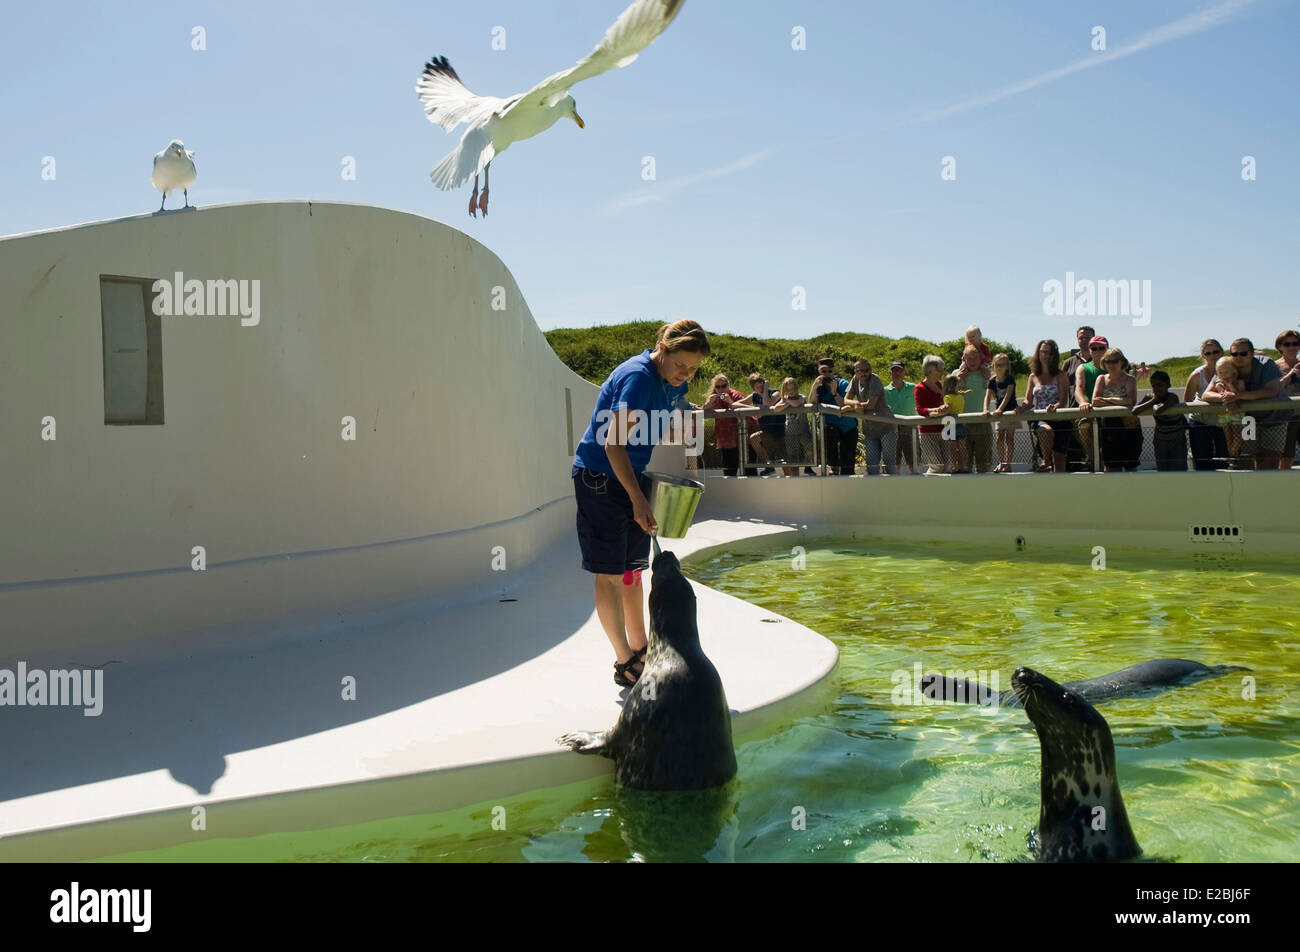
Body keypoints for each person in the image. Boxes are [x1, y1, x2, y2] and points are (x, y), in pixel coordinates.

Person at [571, 319, 710, 686]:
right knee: (612, 575)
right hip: (600, 478)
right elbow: (612, 445)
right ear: (663, 349)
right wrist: (637, 499)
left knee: (634, 571)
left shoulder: (670, 382)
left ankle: (642, 649)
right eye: (681, 364)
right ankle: (624, 661)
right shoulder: (639, 377)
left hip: (630, 475)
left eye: (694, 368)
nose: (686, 374)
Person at [1200, 338, 1285, 469]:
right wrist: (1226, 397)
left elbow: (1271, 391)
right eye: (1235, 354)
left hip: (1274, 419)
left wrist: (1236, 396)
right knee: (1247, 458)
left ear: (1251, 353)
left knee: (1270, 462)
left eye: (1243, 353)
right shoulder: (1227, 366)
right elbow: (1206, 394)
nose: (1239, 357)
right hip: (1249, 420)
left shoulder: (1266, 364)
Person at [1016, 339, 1070, 473]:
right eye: (1042, 352)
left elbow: (1063, 400)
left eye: (1048, 352)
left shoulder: (1061, 375)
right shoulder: (1033, 376)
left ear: (1053, 355)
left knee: (1060, 460)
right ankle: (1046, 461)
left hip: (1060, 419)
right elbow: (1028, 401)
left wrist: (1055, 406)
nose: (1044, 355)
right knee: (1045, 430)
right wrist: (1020, 408)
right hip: (1040, 418)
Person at [1091, 347, 1140, 471]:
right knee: (1111, 466)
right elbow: (1095, 401)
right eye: (1108, 361)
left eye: (1115, 361)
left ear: (1122, 362)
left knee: (1131, 466)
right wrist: (1119, 400)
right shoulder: (1101, 379)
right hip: (1108, 426)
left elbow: (1130, 401)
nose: (1111, 364)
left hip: (1129, 425)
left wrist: (1106, 400)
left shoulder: (1130, 379)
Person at [844, 358, 895, 475]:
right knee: (871, 467)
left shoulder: (875, 379)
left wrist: (850, 407)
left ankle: (893, 491)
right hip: (870, 429)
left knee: (889, 466)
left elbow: (871, 404)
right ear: (855, 371)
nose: (863, 373)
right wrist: (855, 404)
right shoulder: (854, 379)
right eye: (859, 371)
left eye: (866, 370)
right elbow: (846, 399)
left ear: (871, 369)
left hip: (886, 428)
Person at [1183, 339, 1228, 470]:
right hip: (1200, 422)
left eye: (1215, 352)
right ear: (1203, 355)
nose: (1212, 356)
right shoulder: (1197, 375)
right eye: (1208, 353)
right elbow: (1187, 400)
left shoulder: (1230, 370)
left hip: (1224, 422)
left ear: (1221, 352)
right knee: (1202, 463)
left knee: (1224, 461)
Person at [704, 374, 757, 476]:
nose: (721, 389)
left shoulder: (736, 395)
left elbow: (747, 410)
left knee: (750, 471)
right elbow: (703, 409)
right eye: (717, 387)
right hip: (726, 440)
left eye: (723, 386)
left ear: (728, 385)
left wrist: (730, 402)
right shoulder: (713, 398)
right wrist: (709, 403)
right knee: (729, 472)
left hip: (744, 439)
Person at [1133, 370, 1187, 471]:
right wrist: (1152, 401)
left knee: (1179, 470)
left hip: (1177, 438)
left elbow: (1159, 410)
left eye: (1160, 385)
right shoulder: (1150, 397)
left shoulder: (1172, 397)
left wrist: (1153, 403)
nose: (1156, 389)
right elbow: (1135, 411)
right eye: (1153, 386)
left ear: (1168, 385)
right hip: (1160, 439)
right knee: (1163, 470)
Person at [812, 360, 857, 474]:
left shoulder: (843, 384)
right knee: (829, 441)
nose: (826, 374)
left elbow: (846, 404)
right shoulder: (819, 386)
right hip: (831, 427)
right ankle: (833, 467)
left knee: (848, 464)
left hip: (848, 427)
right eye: (823, 371)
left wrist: (834, 392)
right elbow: (812, 402)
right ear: (819, 371)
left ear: (834, 371)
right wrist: (814, 387)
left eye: (829, 371)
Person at [1073, 335, 1109, 469]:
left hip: (1110, 414)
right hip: (1091, 412)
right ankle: (1092, 457)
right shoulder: (1083, 368)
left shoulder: (1114, 366)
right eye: (1094, 348)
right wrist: (1083, 402)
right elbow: (1079, 389)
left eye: (1101, 348)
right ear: (1089, 350)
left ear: (1107, 349)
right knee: (1083, 424)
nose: (1098, 351)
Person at [956, 344, 992, 473]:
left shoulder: (987, 373)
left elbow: (998, 394)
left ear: (981, 358)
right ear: (964, 359)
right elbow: (946, 396)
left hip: (982, 423)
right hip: (962, 424)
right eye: (969, 358)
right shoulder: (956, 374)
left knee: (984, 465)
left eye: (975, 358)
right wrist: (958, 380)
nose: (972, 361)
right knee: (964, 467)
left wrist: (989, 378)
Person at [1204, 356, 1246, 464]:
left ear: (1233, 371)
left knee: (1238, 436)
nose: (1223, 375)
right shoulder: (1219, 383)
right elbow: (1220, 395)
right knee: (1228, 437)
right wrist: (1221, 387)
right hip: (1224, 414)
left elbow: (1237, 395)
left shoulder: (1240, 382)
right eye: (1220, 372)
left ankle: (1233, 454)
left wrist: (1229, 384)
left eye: (1226, 372)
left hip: (1237, 414)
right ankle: (1231, 456)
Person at [914, 355, 949, 474]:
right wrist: (935, 410)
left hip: (945, 430)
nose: (942, 373)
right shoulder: (919, 388)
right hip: (927, 432)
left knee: (947, 466)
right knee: (937, 466)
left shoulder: (940, 385)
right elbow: (920, 409)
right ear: (929, 370)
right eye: (939, 370)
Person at [772, 376, 813, 475]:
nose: (791, 391)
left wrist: (786, 402)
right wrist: (786, 403)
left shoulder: (801, 397)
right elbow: (775, 409)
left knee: (809, 447)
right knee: (792, 455)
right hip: (790, 432)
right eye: (788, 389)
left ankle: (808, 465)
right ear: (784, 390)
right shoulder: (784, 400)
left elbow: (796, 404)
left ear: (796, 388)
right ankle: (795, 474)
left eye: (793, 389)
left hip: (803, 430)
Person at [985, 353, 1018, 472]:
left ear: (1007, 367)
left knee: (1009, 437)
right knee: (999, 437)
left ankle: (1008, 463)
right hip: (999, 413)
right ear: (993, 366)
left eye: (1003, 365)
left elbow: (1008, 396)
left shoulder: (1010, 379)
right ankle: (1002, 462)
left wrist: (1000, 409)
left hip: (1010, 411)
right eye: (997, 365)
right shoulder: (992, 381)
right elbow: (987, 396)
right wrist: (986, 409)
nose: (999, 367)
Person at [1272, 329, 1300, 467]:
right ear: (1280, 346)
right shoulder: (1273, 366)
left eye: (1295, 343)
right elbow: (1273, 389)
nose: (1292, 347)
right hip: (1284, 416)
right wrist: (1290, 375)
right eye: (1287, 344)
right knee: (1286, 456)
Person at [884, 361, 918, 474]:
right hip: (892, 429)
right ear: (890, 372)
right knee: (895, 461)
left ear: (904, 372)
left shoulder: (913, 387)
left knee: (913, 460)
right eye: (894, 370)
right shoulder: (884, 391)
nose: (897, 373)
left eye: (900, 370)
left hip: (910, 428)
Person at [747, 372, 781, 476]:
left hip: (781, 432)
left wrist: (765, 390)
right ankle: (768, 465)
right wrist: (755, 409)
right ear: (754, 388)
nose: (761, 389)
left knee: (785, 464)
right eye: (758, 387)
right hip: (766, 432)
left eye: (762, 385)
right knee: (754, 438)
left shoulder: (776, 393)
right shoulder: (754, 396)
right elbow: (735, 404)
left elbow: (767, 403)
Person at [941, 372, 971, 472]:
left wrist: (942, 410)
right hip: (960, 424)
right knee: (962, 447)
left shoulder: (947, 397)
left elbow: (948, 408)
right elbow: (959, 394)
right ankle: (964, 466)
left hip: (950, 425)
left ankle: (955, 466)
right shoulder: (960, 397)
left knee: (952, 448)